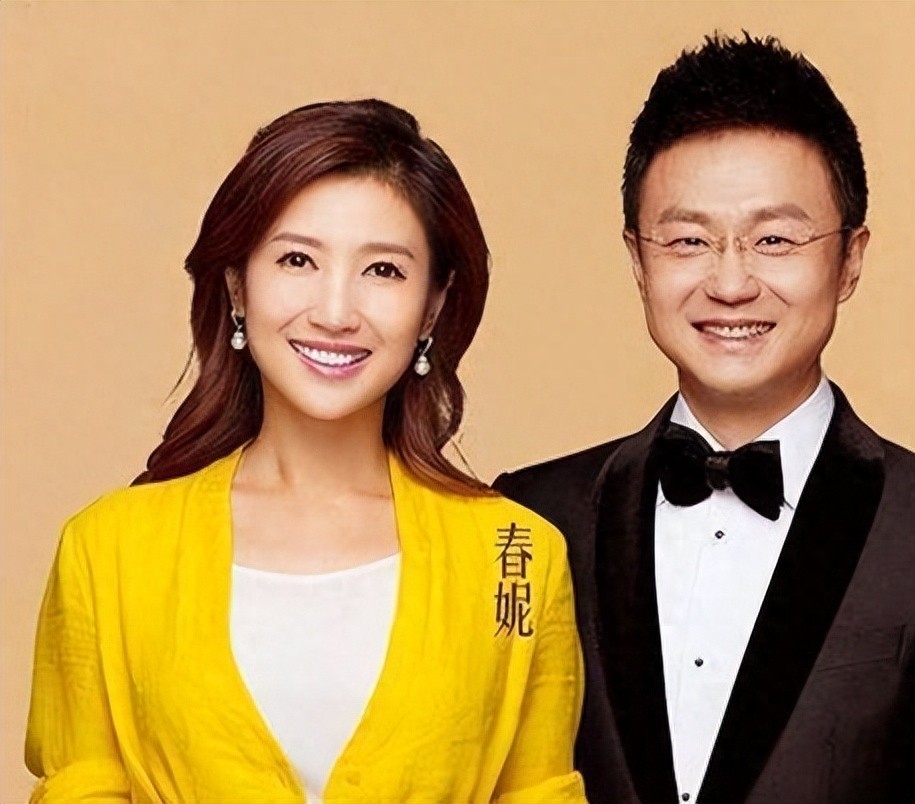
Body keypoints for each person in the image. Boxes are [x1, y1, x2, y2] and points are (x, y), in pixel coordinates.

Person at [493, 34, 915, 804]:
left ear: (850, 259)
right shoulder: (531, 518)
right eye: (688, 240)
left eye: (775, 240)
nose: (730, 282)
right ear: (637, 260)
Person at [26, 99, 585, 804]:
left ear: (433, 306)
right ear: (237, 285)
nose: (335, 312)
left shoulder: (517, 557)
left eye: (383, 271)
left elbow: (539, 791)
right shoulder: (108, 550)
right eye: (297, 259)